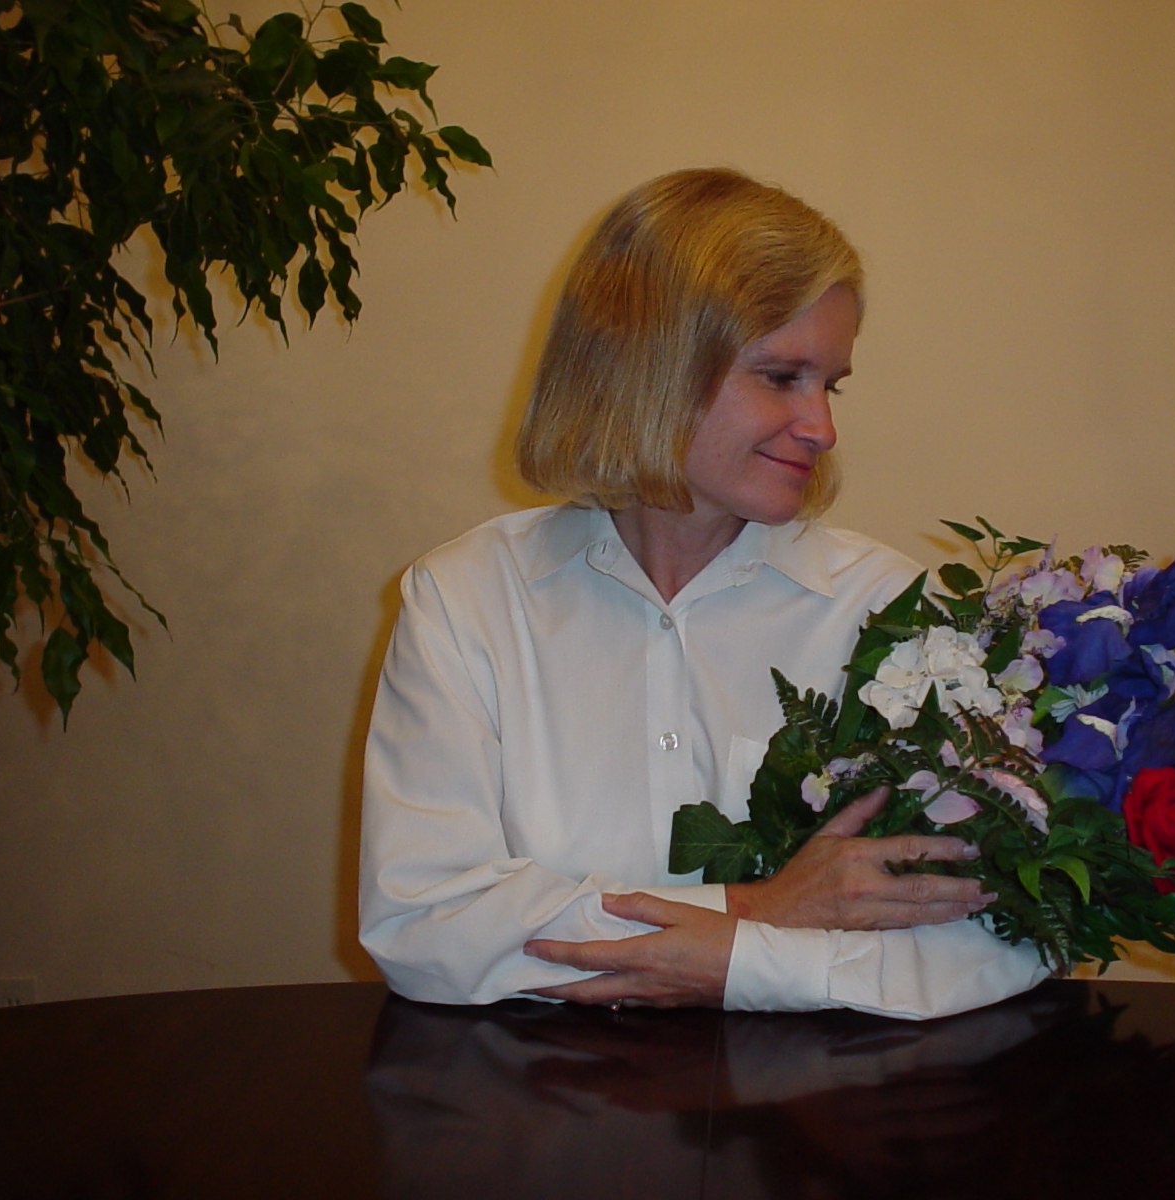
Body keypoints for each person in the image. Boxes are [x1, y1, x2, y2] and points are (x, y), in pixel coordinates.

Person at [359, 168, 1048, 1018]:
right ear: (647, 366)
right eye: (781, 376)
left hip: (822, 1093)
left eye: (830, 384)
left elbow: (996, 935)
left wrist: (734, 959)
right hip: (535, 1092)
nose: (824, 428)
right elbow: (422, 927)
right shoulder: (467, 600)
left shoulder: (887, 612)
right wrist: (759, 910)